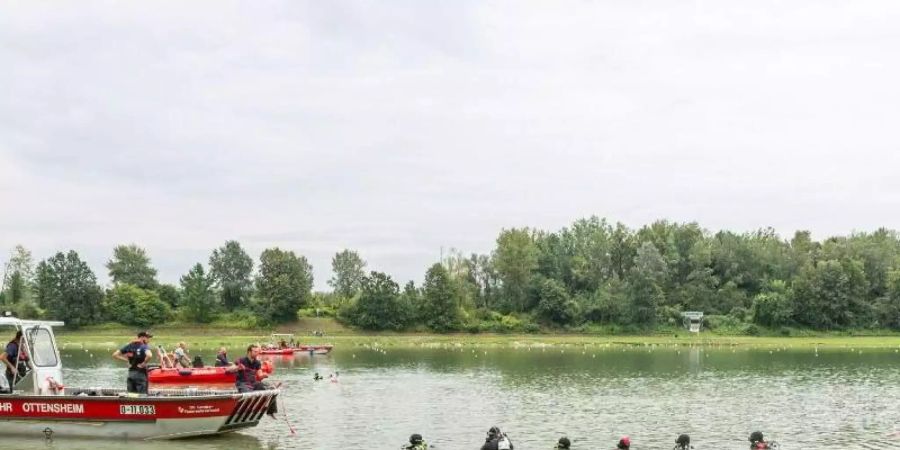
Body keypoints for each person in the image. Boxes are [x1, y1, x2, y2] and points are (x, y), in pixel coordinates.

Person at [227, 344, 277, 416]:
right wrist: (237, 368)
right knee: (249, 394)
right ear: (249, 352)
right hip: (242, 383)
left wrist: (264, 375)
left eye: (257, 351)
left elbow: (259, 376)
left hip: (253, 383)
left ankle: (270, 412)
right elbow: (228, 370)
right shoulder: (241, 360)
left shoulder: (257, 362)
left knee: (272, 389)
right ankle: (242, 411)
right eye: (255, 351)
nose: (257, 353)